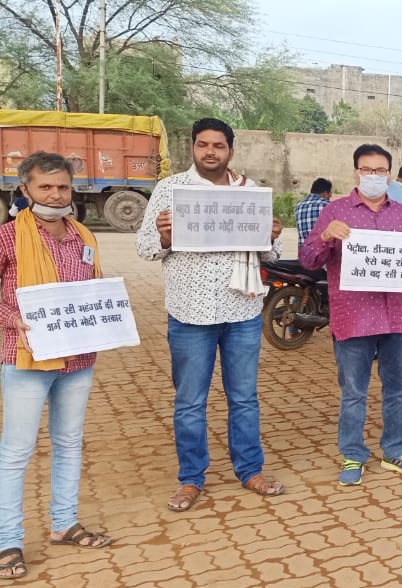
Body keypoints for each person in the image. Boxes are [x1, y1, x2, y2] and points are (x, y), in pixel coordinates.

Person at [137, 118, 286, 512]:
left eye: (218, 146)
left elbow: (267, 254)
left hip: (243, 309)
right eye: (203, 145)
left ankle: (250, 470)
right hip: (190, 312)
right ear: (193, 148)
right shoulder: (171, 190)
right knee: (189, 401)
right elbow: (146, 247)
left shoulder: (249, 192)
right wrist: (165, 237)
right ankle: (190, 479)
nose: (210, 152)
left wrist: (272, 236)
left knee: (244, 398)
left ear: (230, 150)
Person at [299, 144, 402, 486]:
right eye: (367, 169)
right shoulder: (335, 211)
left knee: (398, 391)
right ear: (355, 172)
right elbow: (309, 259)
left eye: (380, 171)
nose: (373, 176)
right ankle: (352, 454)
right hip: (354, 316)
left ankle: (396, 450)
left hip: (398, 318)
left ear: (389, 175)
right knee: (353, 392)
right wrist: (326, 237)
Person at [0, 152, 111, 579]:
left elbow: (95, 291)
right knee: (16, 451)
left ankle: (64, 523)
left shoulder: (83, 234)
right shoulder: (9, 237)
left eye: (62, 187)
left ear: (72, 189)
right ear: (25, 190)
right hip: (28, 358)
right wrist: (14, 319)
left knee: (69, 442)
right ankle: (8, 539)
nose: (55, 194)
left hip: (79, 358)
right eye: (45, 187)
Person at [295, 177, 333, 246]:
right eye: (330, 192)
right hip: (323, 253)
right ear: (325, 193)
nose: (331, 195)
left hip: (304, 254)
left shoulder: (298, 206)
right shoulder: (329, 206)